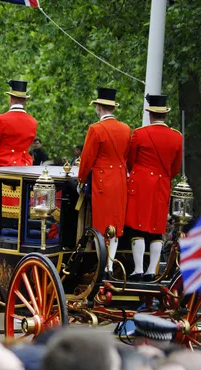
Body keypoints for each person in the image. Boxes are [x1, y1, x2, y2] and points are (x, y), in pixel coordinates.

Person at [125, 94, 183, 282]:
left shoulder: (140, 134)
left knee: (138, 227)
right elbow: (175, 169)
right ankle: (152, 270)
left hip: (141, 183)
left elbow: (131, 161)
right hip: (162, 184)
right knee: (157, 228)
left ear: (150, 114)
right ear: (165, 115)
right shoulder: (177, 137)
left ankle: (138, 269)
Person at [77, 87, 130, 277]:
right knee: (115, 224)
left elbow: (87, 159)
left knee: (101, 223)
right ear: (113, 108)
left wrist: (81, 179)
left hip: (102, 181)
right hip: (120, 181)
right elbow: (126, 158)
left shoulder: (96, 129)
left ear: (99, 107)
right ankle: (109, 264)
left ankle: (102, 266)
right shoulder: (126, 129)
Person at [0, 79, 38, 167]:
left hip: (3, 164)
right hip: (25, 165)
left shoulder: (1, 119)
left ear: (11, 99)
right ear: (25, 101)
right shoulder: (33, 122)